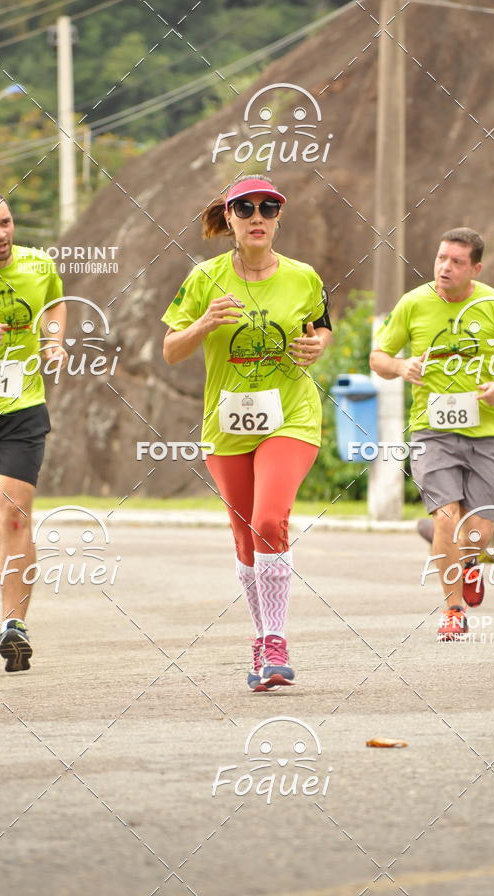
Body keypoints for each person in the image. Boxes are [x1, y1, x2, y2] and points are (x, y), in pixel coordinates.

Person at [162, 175, 331, 689]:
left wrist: (318, 345)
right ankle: (261, 641)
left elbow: (322, 325)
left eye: (268, 208)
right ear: (230, 218)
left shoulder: (304, 278)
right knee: (244, 538)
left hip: (291, 415)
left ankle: (277, 642)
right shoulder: (205, 278)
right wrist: (203, 324)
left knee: (268, 519)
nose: (257, 217)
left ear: (279, 218)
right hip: (227, 423)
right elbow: (171, 350)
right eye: (246, 209)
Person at [370, 227, 494, 640]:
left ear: (475, 268)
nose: (445, 267)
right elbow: (378, 356)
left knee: (480, 529)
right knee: (447, 516)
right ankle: (452, 610)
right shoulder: (413, 304)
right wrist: (401, 367)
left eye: (457, 262)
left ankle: (470, 560)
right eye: (442, 258)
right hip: (431, 431)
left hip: (485, 432)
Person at [0, 188, 66, 673]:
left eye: (6, 223)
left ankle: (16, 627)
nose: (1, 235)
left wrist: (52, 344)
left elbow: (55, 303)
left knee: (13, 512)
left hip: (20, 409)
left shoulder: (37, 265)